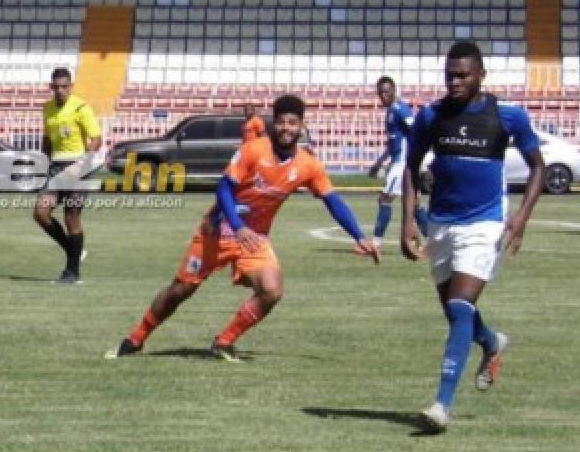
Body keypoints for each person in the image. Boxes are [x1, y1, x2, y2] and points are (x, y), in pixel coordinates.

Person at [107, 95, 379, 363]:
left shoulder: (308, 165)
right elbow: (224, 187)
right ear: (274, 124)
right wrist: (237, 227)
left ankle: (224, 341)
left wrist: (358, 236)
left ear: (301, 126)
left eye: (293, 123)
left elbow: (332, 200)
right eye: (282, 122)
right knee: (180, 291)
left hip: (254, 239)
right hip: (217, 232)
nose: (286, 128)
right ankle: (136, 338)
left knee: (272, 290)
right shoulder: (254, 150)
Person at [401, 41, 545, 433]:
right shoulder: (431, 116)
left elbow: (538, 167)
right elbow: (411, 167)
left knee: (461, 307)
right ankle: (492, 342)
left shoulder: (507, 117)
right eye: (450, 75)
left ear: (481, 75)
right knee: (452, 309)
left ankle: (441, 404)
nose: (455, 81)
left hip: (484, 226)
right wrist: (407, 222)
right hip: (441, 224)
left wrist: (522, 218)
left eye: (463, 75)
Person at [34, 67, 102, 284]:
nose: (60, 90)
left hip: (79, 166)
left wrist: (84, 163)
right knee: (41, 213)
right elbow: (47, 138)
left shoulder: (81, 108)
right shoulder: (47, 109)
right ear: (51, 87)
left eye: (64, 86)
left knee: (71, 215)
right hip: (56, 168)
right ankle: (74, 252)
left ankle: (72, 273)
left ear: (71, 86)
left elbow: (95, 138)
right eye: (56, 87)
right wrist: (44, 160)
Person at [365, 75, 428, 251]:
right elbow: (394, 141)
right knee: (414, 204)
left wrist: (417, 161)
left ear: (394, 91)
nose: (382, 96)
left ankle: (376, 244)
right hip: (398, 161)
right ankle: (435, 242)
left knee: (385, 199)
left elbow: (416, 131)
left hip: (403, 163)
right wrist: (379, 162)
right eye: (380, 93)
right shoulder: (391, 111)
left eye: (386, 92)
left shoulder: (400, 109)